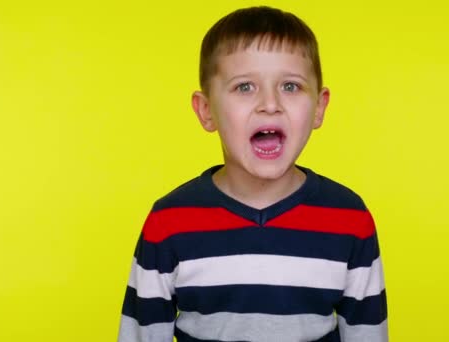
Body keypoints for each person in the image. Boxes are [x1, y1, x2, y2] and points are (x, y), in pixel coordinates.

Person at [118, 6, 387, 342]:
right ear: (206, 111)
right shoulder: (169, 222)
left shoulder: (350, 218)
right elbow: (142, 334)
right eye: (245, 87)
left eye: (290, 86)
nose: (270, 104)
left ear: (319, 107)